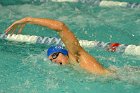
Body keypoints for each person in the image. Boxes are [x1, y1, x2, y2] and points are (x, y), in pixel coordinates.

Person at [5, 17, 110, 75]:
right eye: (51, 60)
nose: (54, 61)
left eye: (55, 56)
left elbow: (61, 27)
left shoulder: (76, 55)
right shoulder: (74, 66)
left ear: (64, 53)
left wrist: (28, 20)